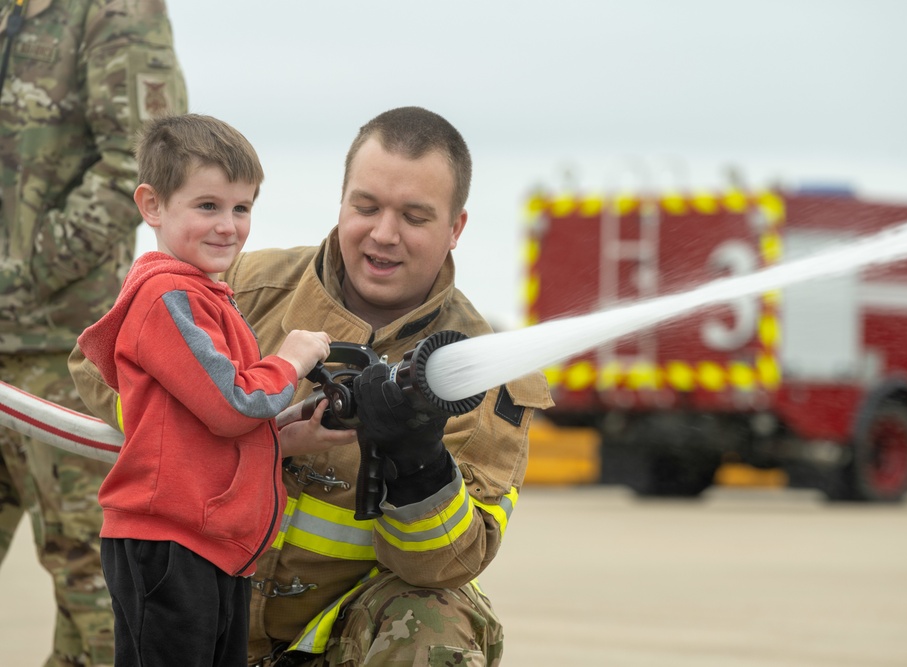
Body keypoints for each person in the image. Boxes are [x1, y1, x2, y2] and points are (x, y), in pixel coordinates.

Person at [70, 105, 554, 667]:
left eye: (415, 217)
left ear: (456, 229)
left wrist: (416, 462)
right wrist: (240, 431)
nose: (383, 234)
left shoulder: (482, 377)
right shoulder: (238, 289)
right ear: (342, 200)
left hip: (334, 642)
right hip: (202, 611)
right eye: (366, 207)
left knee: (438, 617)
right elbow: (96, 367)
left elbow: (443, 567)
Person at [76, 113, 333, 666]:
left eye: (242, 208)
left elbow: (208, 430)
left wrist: (288, 432)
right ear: (152, 206)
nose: (229, 226)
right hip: (170, 546)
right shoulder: (169, 298)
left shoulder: (206, 297)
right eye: (208, 206)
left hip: (213, 549)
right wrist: (290, 359)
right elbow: (234, 404)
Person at [0, 1, 186, 664]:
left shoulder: (115, 11)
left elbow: (139, 162)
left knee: (95, 599)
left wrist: (20, 273)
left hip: (59, 353)